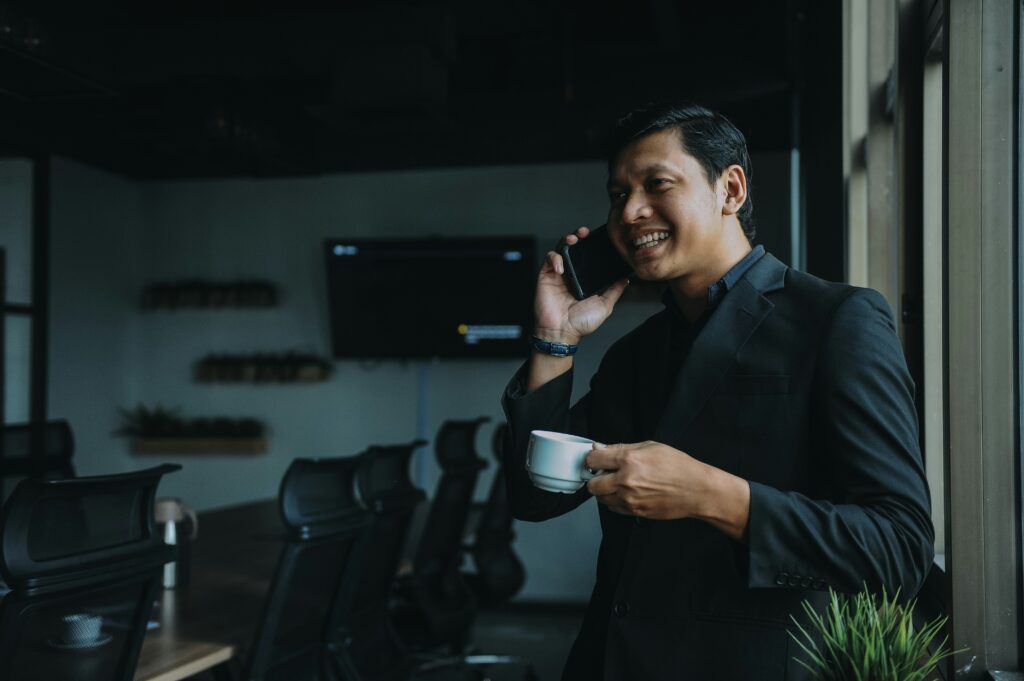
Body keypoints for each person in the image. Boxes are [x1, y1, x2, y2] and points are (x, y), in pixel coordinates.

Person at [500, 103, 934, 681]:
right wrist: (555, 339)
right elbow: (535, 499)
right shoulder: (636, 354)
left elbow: (898, 549)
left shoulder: (836, 320)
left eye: (657, 184)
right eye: (616, 194)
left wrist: (712, 494)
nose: (629, 212)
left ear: (730, 189)